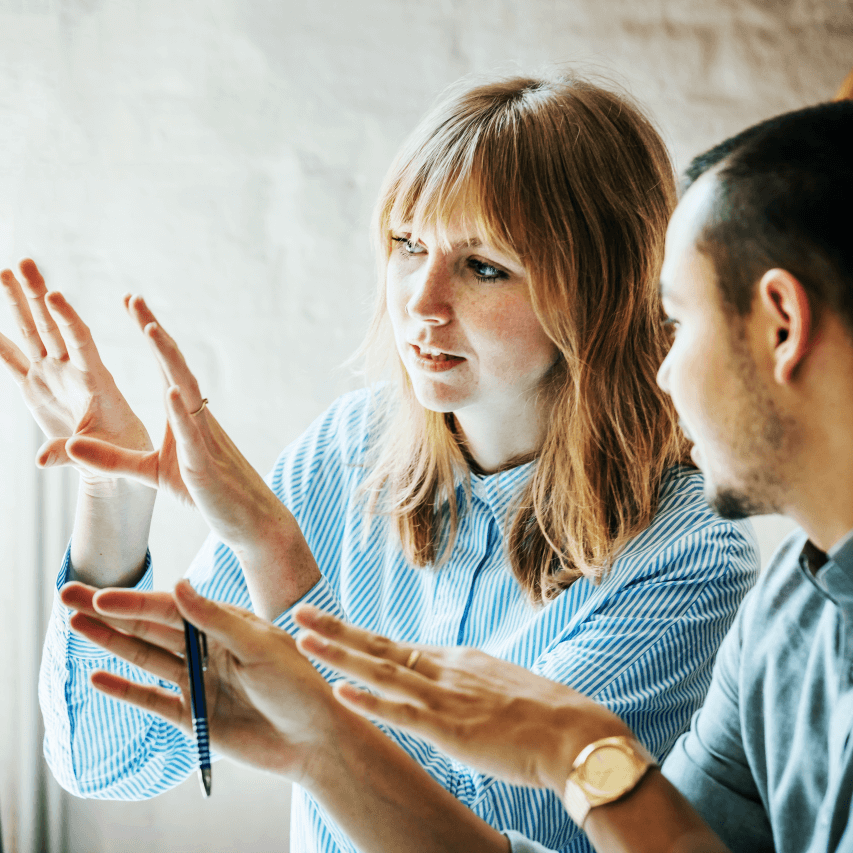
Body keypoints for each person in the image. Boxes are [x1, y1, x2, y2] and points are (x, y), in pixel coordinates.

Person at [0, 74, 758, 853]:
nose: (420, 301)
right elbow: (107, 760)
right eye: (408, 245)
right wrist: (114, 505)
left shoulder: (689, 553)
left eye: (484, 266)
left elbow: (481, 826)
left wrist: (278, 560)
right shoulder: (347, 452)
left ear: (598, 290)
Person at [260, 99, 852, 853]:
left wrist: (576, 751)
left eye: (677, 321)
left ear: (781, 325)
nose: (663, 372)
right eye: (406, 245)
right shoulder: (787, 611)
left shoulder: (693, 552)